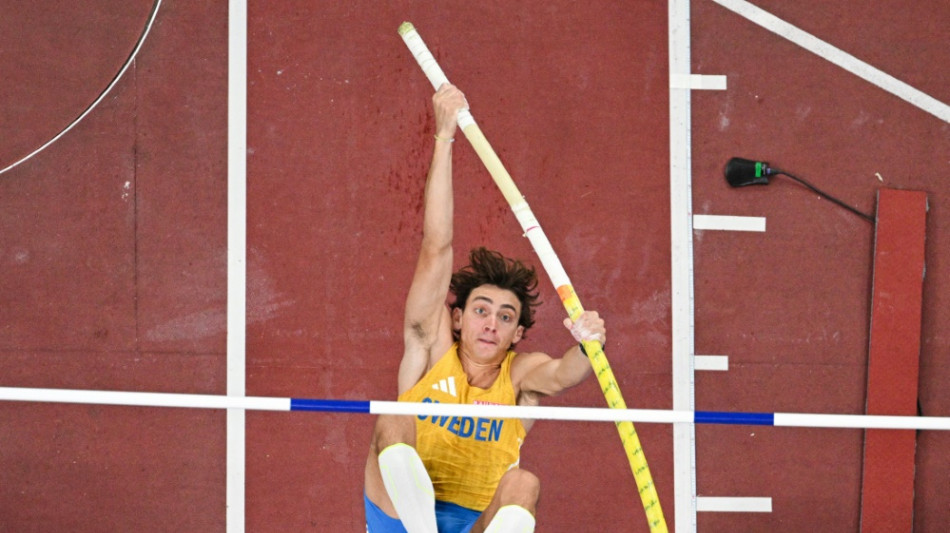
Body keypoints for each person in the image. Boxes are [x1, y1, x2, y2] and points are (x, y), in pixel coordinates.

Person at [363, 83, 606, 533]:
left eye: (506, 317)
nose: (492, 323)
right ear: (456, 318)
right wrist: (444, 138)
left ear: (517, 335)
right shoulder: (429, 349)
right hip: (402, 514)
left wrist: (590, 344)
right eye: (481, 310)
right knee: (394, 417)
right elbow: (436, 246)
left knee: (523, 485)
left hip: (473, 522)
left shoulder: (520, 377)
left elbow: (564, 374)